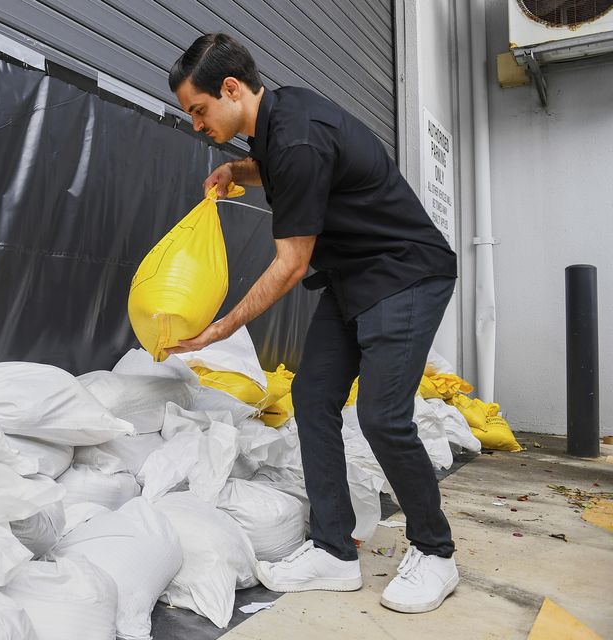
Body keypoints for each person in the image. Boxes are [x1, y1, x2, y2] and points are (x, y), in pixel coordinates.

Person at [164, 33, 460, 614]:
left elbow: (291, 263)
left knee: (382, 416)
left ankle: (436, 551)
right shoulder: (280, 118)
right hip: (355, 278)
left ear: (230, 89)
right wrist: (238, 173)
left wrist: (222, 328)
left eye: (199, 111)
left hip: (405, 273)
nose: (197, 126)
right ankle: (333, 550)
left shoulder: (296, 135)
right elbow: (276, 166)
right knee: (313, 394)